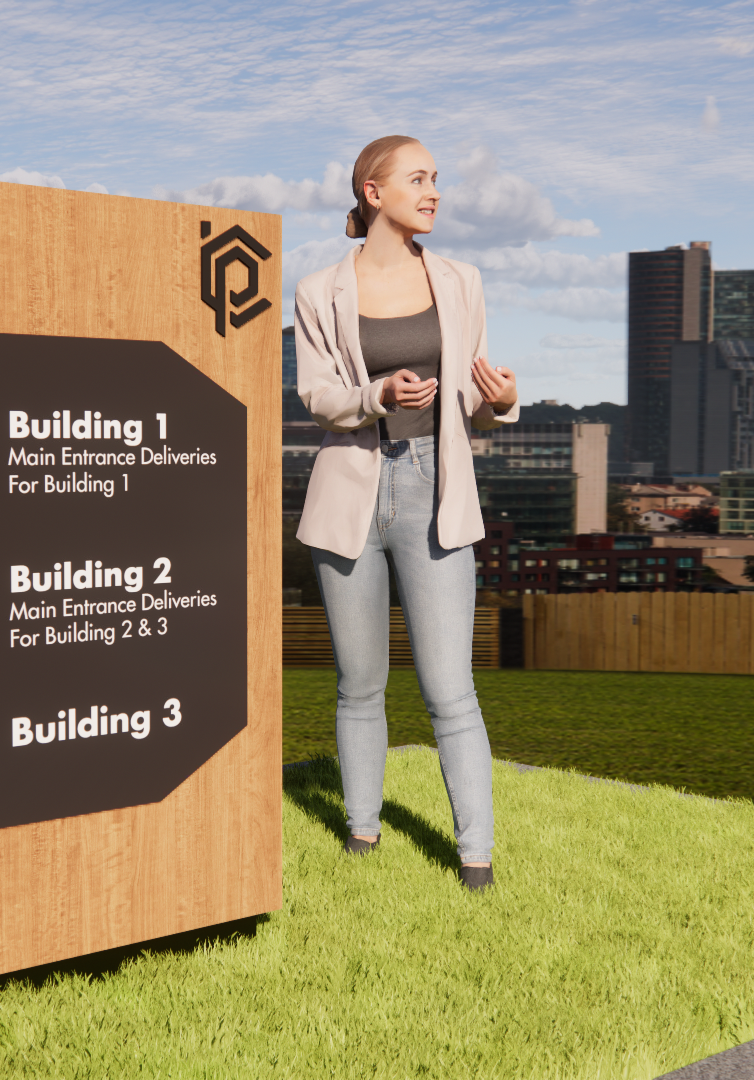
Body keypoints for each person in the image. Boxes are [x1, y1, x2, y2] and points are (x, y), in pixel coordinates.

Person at [291, 135, 520, 892]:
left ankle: (476, 858)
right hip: (349, 492)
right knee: (359, 684)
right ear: (372, 190)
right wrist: (376, 397)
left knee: (449, 688)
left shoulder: (461, 280)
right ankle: (361, 835)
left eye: (436, 179)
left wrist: (504, 402)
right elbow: (318, 396)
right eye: (419, 179)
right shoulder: (319, 290)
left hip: (434, 489)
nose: (435, 192)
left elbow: (476, 407)